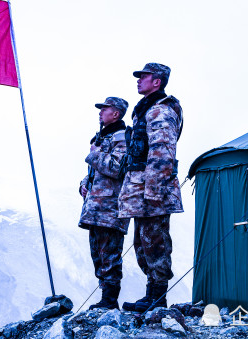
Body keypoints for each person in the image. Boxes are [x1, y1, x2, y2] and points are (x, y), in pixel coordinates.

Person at [119, 63, 183, 313]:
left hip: (153, 189)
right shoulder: (146, 110)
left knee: (155, 241)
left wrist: (154, 192)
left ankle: (157, 297)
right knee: (143, 242)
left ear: (157, 81)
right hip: (142, 188)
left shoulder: (160, 110)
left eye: (143, 76)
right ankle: (151, 295)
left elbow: (162, 152)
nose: (138, 80)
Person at [79, 97, 130, 310]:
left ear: (116, 114)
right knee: (97, 254)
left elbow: (116, 168)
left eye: (105, 109)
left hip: (111, 207)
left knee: (109, 254)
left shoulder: (122, 137)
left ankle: (110, 301)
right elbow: (97, 171)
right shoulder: (102, 137)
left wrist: (95, 154)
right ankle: (104, 298)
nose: (100, 112)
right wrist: (84, 182)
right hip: (96, 207)